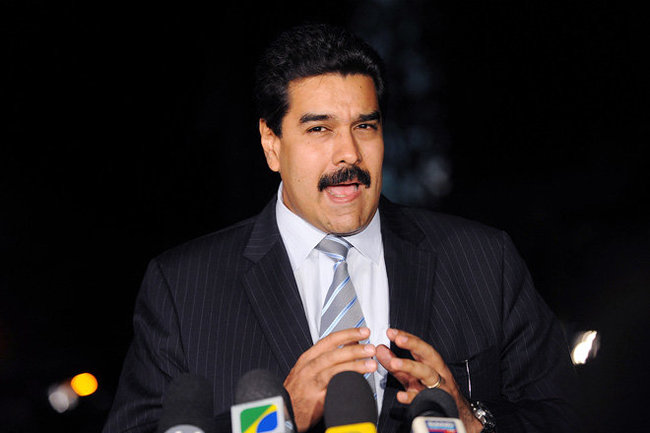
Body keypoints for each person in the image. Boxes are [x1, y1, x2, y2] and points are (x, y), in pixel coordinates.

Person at [103, 23, 579, 433]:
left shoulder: (484, 261)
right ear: (271, 143)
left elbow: (571, 416)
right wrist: (274, 419)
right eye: (319, 129)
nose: (348, 153)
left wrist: (472, 421)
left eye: (365, 126)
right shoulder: (183, 288)